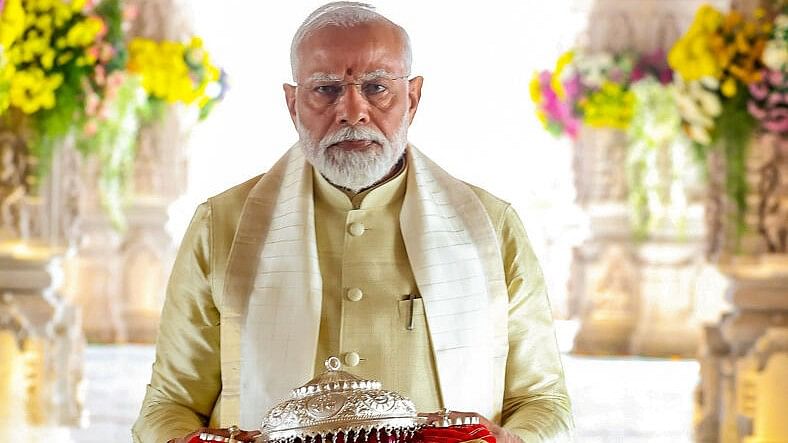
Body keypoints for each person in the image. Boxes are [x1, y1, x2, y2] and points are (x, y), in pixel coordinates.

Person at [132, 3, 574, 443]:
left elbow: (543, 401)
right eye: (325, 89)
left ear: (413, 98)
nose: (352, 111)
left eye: (377, 87)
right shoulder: (222, 225)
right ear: (292, 104)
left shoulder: (491, 228)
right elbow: (169, 404)